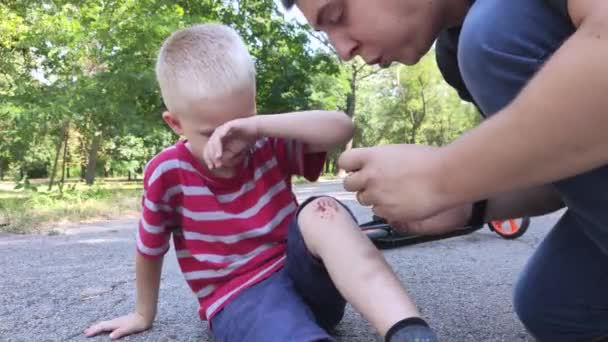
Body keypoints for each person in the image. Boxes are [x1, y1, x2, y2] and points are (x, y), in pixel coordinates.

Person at [83, 23, 438, 342]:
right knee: (274, 324)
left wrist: (257, 127)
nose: (232, 142)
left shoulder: (265, 141)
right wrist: (143, 314)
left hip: (308, 282)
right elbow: (149, 248)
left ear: (253, 107)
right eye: (212, 133)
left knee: (322, 210)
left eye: (241, 122)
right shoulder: (167, 173)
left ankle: (407, 330)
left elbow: (341, 128)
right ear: (175, 123)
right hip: (239, 297)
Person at [282, 0, 608, 340]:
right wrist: (470, 203)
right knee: (554, 303)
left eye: (338, 16)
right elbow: (568, 171)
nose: (343, 50)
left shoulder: (492, 35)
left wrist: (441, 176)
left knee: (495, 32)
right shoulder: (453, 55)